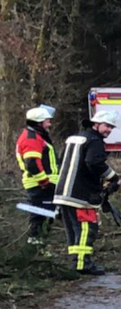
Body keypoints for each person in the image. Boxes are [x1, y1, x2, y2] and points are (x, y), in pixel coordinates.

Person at [53, 108, 121, 276]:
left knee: (73, 230)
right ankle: (83, 264)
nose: (109, 130)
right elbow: (94, 163)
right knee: (87, 228)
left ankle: (76, 262)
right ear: (96, 124)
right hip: (80, 195)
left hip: (63, 192)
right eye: (107, 126)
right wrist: (113, 178)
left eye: (112, 127)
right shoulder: (94, 141)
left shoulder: (75, 138)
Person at [15, 104, 58, 246]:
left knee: (45, 217)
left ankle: (40, 247)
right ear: (39, 122)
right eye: (47, 121)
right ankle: (37, 248)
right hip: (40, 185)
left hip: (41, 184)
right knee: (40, 218)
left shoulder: (35, 135)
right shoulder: (32, 138)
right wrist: (45, 182)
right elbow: (32, 163)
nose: (49, 124)